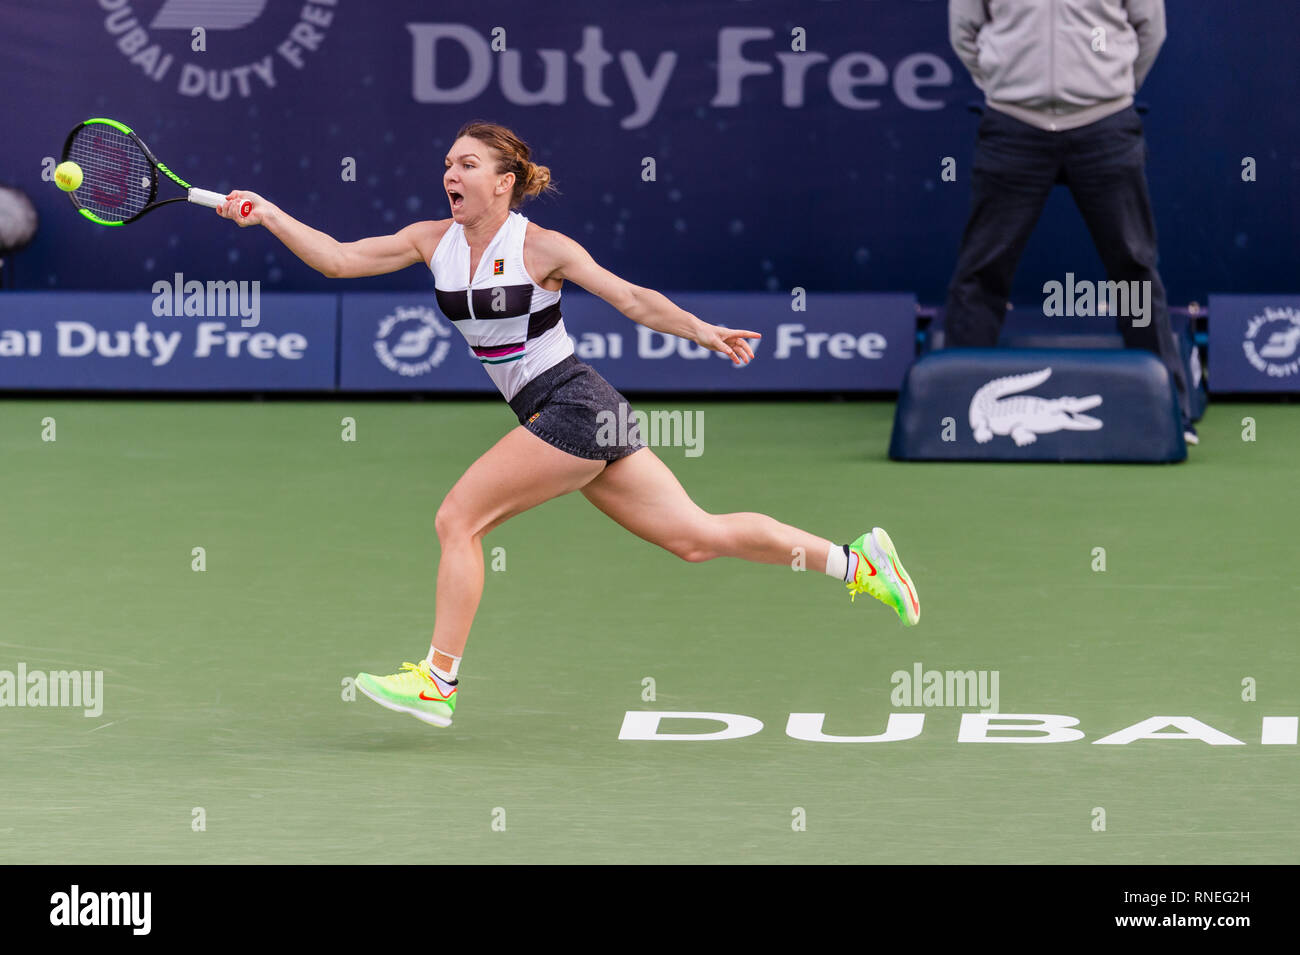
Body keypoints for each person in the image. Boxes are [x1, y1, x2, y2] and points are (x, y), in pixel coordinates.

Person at [216, 120, 920, 728]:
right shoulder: (432, 240)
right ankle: (860, 561)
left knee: (458, 519)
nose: (449, 174)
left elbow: (632, 299)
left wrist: (702, 331)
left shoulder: (540, 246)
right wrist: (273, 216)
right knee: (696, 537)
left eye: (466, 164)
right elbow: (340, 259)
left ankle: (439, 679)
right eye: (447, 164)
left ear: (504, 182)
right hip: (585, 412)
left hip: (575, 407)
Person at [945, 0, 1196, 443]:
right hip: (1012, 125)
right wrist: (1006, 87)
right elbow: (964, 33)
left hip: (1105, 125)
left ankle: (1169, 411)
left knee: (1133, 268)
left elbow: (1149, 31)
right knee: (981, 270)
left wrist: (1109, 90)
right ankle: (954, 413)